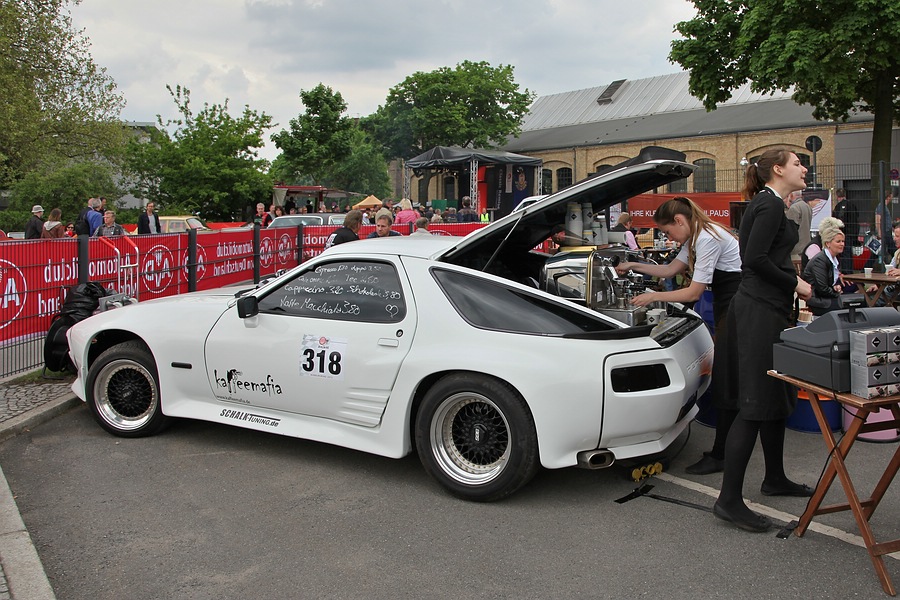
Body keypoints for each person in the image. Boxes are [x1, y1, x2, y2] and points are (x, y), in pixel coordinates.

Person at [715, 148, 814, 534]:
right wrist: (797, 284)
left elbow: (766, 257)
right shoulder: (769, 205)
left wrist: (795, 284)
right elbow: (753, 259)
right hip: (758, 312)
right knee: (755, 404)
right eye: (797, 163)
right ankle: (728, 501)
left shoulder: (770, 203)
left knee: (775, 394)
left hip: (768, 310)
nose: (803, 168)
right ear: (778, 169)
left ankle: (774, 478)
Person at [617, 197, 741, 474]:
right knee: (726, 376)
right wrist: (633, 265)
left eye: (667, 231)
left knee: (726, 378)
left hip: (735, 305)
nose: (668, 237)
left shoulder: (707, 238)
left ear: (679, 221)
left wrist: (653, 297)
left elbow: (694, 292)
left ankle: (722, 454)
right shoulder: (697, 236)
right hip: (726, 303)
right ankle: (725, 449)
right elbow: (669, 270)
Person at [802, 217, 847, 316]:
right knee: (847, 306)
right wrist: (836, 292)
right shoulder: (820, 259)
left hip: (825, 297)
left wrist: (836, 287)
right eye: (838, 241)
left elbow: (829, 283)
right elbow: (822, 288)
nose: (842, 244)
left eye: (843, 241)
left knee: (854, 302)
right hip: (817, 299)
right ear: (828, 243)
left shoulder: (833, 258)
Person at [832, 188, 858, 272]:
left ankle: (845, 271)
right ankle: (850, 271)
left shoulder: (838, 207)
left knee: (844, 254)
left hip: (843, 233)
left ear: (837, 196)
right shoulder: (852, 205)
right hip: (851, 233)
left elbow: (837, 220)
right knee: (849, 254)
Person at [785, 191, 812, 261]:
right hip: (806, 246)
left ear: (791, 195)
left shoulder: (794, 208)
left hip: (796, 249)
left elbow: (790, 230)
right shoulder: (807, 206)